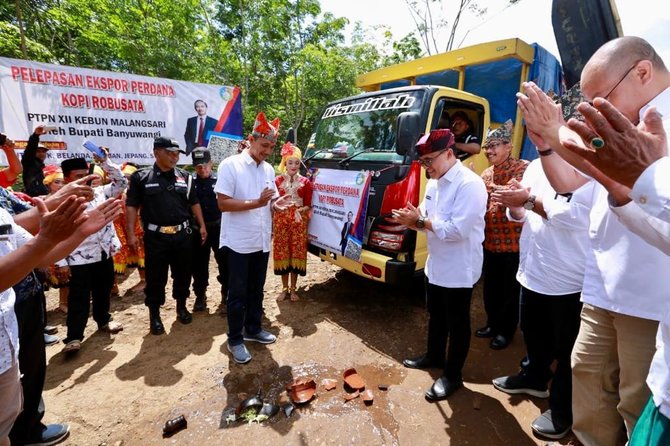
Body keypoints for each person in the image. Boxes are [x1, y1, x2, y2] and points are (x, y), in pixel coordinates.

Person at [516, 36, 670, 445]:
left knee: (639, 405)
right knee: (588, 389)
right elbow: (570, 178)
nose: (590, 111)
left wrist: (640, 181)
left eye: (600, 97)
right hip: (600, 287)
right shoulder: (625, 120)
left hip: (652, 298)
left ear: (642, 72)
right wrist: (549, 137)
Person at [0, 194, 122, 446]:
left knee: (5, 426)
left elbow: (42, 257)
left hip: (6, 346)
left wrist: (80, 234)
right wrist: (45, 238)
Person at [489, 157, 594, 440]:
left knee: (568, 351)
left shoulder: (588, 166)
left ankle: (562, 409)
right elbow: (522, 215)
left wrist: (529, 201)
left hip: (570, 278)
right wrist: (515, 204)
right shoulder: (536, 165)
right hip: (533, 268)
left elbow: (578, 217)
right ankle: (534, 377)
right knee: (532, 333)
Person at [391, 128, 487, 401]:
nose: (426, 167)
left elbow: (458, 230)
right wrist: (411, 217)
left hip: (459, 267)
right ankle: (434, 356)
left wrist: (419, 222)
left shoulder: (469, 184)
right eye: (423, 162)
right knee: (436, 314)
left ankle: (453, 375)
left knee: (457, 322)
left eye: (430, 160)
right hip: (436, 264)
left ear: (449, 153)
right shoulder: (434, 182)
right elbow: (425, 214)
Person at [215, 112, 282, 364]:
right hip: (239, 242)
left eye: (271, 147)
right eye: (264, 145)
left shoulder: (267, 168)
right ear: (252, 139)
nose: (268, 151)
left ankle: (253, 329)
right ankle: (235, 339)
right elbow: (223, 203)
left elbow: (271, 199)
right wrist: (257, 202)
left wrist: (279, 204)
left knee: (256, 290)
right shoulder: (230, 165)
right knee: (237, 293)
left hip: (261, 240)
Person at [126, 137, 207, 335]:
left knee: (183, 274)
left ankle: (181, 306)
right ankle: (154, 314)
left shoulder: (185, 177)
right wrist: (130, 233)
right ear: (156, 153)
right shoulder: (141, 177)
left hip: (182, 235)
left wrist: (202, 225)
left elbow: (194, 202)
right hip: (156, 238)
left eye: (177, 153)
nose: (174, 157)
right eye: (169, 153)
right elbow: (131, 206)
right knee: (155, 278)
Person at [60, 155, 127, 353]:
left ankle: (104, 320)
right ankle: (74, 337)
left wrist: (104, 162)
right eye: (78, 177)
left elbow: (121, 182)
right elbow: (55, 235)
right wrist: (61, 261)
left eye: (86, 175)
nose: (85, 180)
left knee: (104, 289)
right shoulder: (61, 202)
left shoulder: (101, 192)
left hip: (103, 252)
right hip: (78, 257)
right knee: (79, 296)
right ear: (67, 180)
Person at [475, 120, 527, 350]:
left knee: (509, 291)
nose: (489, 151)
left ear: (508, 146)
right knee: (490, 289)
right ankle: (492, 324)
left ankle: (506, 331)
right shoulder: (486, 173)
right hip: (490, 242)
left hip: (514, 244)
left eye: (495, 145)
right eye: (487, 147)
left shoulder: (523, 169)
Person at [273, 142, 313, 302]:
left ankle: (294, 289)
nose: (293, 165)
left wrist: (299, 210)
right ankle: (284, 288)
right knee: (283, 252)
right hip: (281, 223)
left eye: (297, 162)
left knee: (296, 253)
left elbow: (309, 204)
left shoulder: (306, 182)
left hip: (298, 222)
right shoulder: (276, 181)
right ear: (285, 163)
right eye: (290, 162)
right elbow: (273, 203)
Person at [191, 148, 228, 312]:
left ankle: (226, 293)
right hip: (199, 230)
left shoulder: (221, 179)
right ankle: (200, 295)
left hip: (219, 227)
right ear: (194, 167)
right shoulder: (190, 182)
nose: (202, 169)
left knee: (225, 263)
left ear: (211, 163)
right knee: (198, 264)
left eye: (205, 165)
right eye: (198, 166)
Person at [21, 125, 50, 197]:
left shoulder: (44, 168)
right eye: (38, 151)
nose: (41, 153)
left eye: (43, 151)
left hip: (45, 198)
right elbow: (30, 149)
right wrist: (35, 136)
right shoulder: (29, 162)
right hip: (33, 198)